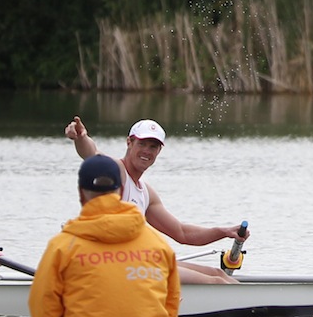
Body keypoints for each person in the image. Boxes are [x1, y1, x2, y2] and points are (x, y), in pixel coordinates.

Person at [28, 155, 182, 317]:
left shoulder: (62, 247)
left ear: (81, 194)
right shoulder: (158, 243)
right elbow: (172, 306)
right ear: (120, 192)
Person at [64, 116, 247, 284]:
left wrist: (223, 231)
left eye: (153, 147)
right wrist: (81, 137)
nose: (147, 151)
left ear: (159, 151)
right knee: (216, 283)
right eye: (142, 144)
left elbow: (182, 233)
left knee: (218, 274)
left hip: (135, 262)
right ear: (129, 142)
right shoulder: (116, 171)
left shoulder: (146, 193)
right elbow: (92, 153)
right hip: (113, 264)